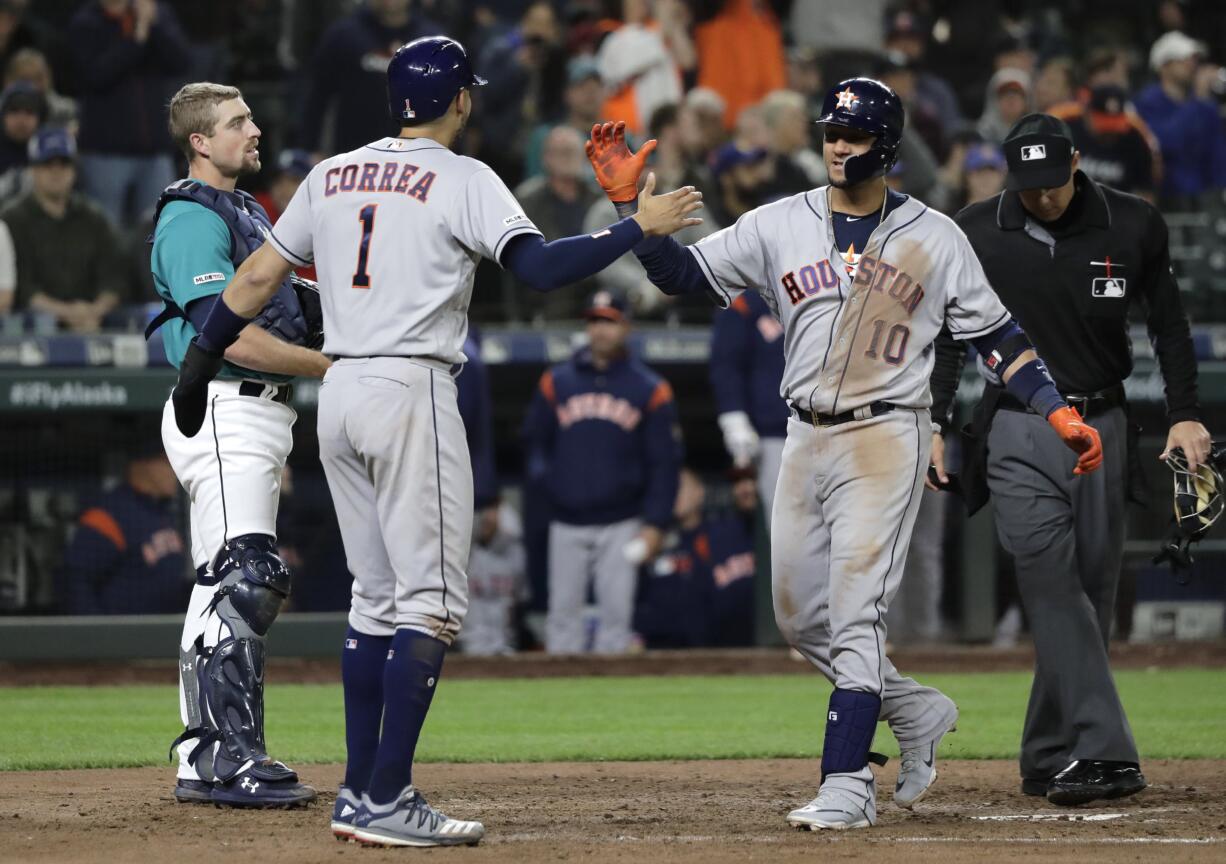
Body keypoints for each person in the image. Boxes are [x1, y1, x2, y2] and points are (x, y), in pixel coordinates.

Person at [167, 36, 702, 847]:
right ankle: (385, 796)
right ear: (459, 100)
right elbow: (544, 272)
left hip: (338, 389)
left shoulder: (331, 171)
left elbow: (250, 284)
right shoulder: (466, 176)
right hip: (410, 386)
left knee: (374, 600)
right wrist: (639, 225)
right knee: (431, 605)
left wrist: (196, 364)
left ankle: (360, 793)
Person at [583, 78, 1104, 830]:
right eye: (831, 130)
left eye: (853, 135)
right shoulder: (779, 223)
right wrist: (632, 212)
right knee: (799, 620)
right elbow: (682, 279)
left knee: (857, 614)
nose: (836, 144)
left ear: (886, 147)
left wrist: (1057, 412)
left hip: (887, 433)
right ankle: (915, 710)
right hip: (804, 433)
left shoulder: (935, 235)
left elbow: (999, 338)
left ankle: (847, 784)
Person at [930, 113, 1206, 806]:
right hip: (1018, 427)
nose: (1041, 196)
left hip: (1104, 418)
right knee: (1050, 579)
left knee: (1092, 593)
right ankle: (1106, 754)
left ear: (1076, 163)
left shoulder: (1134, 222)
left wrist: (1185, 411)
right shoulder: (973, 228)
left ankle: (1047, 752)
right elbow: (944, 339)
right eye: (1027, 184)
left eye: (1052, 182)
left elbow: (1168, 324)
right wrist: (933, 422)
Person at [151, 82, 327, 810]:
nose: (252, 130)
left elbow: (295, 309)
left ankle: (207, 756)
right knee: (244, 577)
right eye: (237, 122)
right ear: (200, 141)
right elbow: (232, 336)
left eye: (250, 116)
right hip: (224, 402)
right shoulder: (192, 215)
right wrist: (333, 369)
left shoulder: (249, 210)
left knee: (223, 582)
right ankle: (224, 756)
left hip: (251, 412)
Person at [524, 290, 683, 655]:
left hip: (621, 521)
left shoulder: (649, 388)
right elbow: (536, 446)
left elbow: (664, 463)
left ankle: (613, 706)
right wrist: (550, 488)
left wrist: (656, 523)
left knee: (616, 622)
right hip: (566, 519)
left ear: (627, 327)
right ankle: (559, 711)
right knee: (561, 621)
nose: (600, 330)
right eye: (595, 321)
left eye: (609, 321)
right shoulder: (557, 381)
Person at [68, 0, 191, 227]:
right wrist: (136, 39)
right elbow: (96, 75)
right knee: (106, 232)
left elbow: (181, 61)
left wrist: (154, 26)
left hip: (155, 150)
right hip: (105, 153)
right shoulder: (86, 22)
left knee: (161, 230)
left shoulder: (155, 13)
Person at [3, 127, 127, 331]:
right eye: (47, 164)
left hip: (92, 324)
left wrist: (95, 310)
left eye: (63, 164)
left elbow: (115, 278)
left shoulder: (94, 218)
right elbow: (21, 288)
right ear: (32, 169)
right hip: (29, 329)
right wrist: (65, 312)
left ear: (74, 170)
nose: (56, 171)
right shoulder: (12, 220)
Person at [58, 435, 188, 615]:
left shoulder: (162, 513)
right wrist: (100, 636)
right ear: (144, 465)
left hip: (161, 634)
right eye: (168, 463)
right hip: (123, 636)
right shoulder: (108, 515)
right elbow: (75, 583)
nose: (176, 472)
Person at [298, 0, 442, 158]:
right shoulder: (343, 36)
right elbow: (316, 97)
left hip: (418, 161)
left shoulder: (434, 42)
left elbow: (452, 106)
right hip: (354, 160)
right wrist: (309, 149)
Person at [633, 468, 755, 648]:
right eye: (669, 487)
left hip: (724, 642)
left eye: (681, 486)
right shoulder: (652, 542)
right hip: (663, 646)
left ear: (700, 492)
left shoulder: (725, 532)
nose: (674, 493)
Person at [709, 290, 786, 519]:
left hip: (836, 424)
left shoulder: (826, 280)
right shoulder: (746, 300)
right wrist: (735, 419)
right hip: (774, 436)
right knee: (789, 533)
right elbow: (726, 364)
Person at [1134, 30, 1226, 204]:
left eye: (1194, 59)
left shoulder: (1206, 106)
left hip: (1205, 199)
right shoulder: (1147, 102)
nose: (1192, 64)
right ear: (1164, 65)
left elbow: (1218, 153)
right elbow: (1165, 143)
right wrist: (1197, 99)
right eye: (1184, 59)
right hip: (1166, 199)